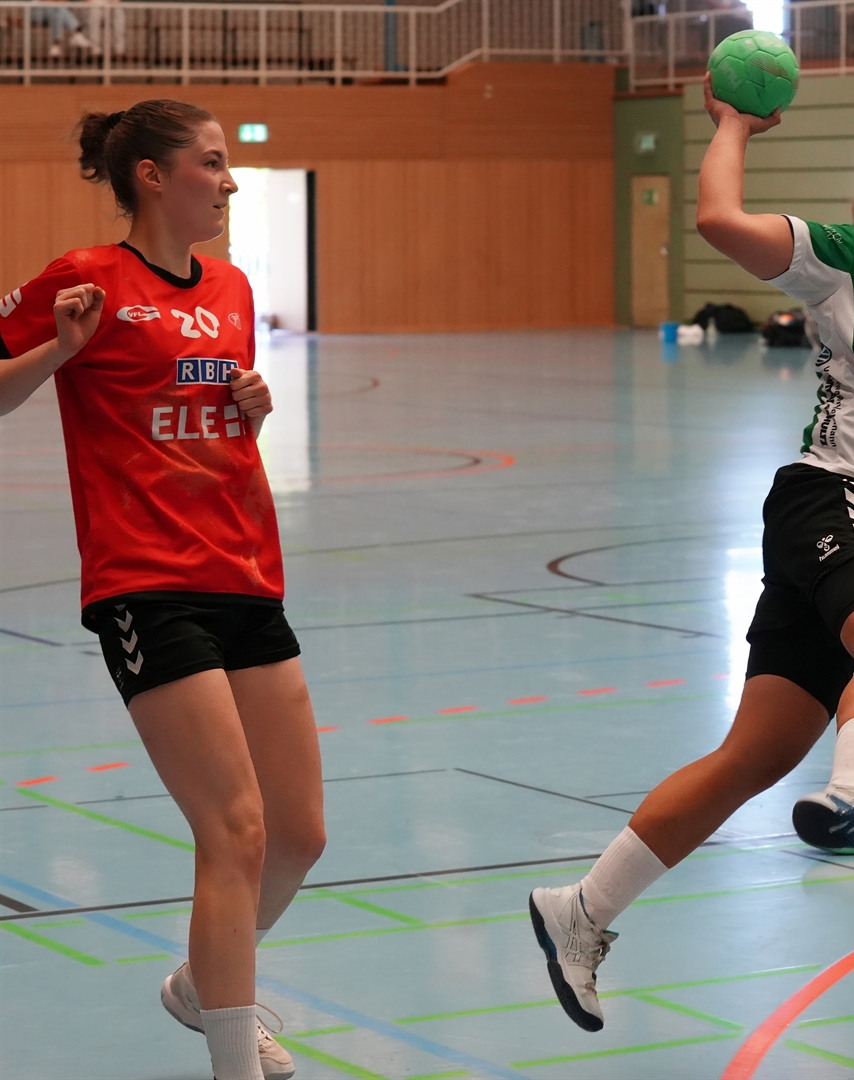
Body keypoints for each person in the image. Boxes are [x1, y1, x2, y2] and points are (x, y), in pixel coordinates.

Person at [527, 85, 854, 1034]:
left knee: (757, 753)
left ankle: (583, 910)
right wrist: (733, 126)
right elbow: (719, 219)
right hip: (834, 491)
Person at [0, 100, 324, 1080]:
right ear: (152, 175)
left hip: (246, 572)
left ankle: (201, 986)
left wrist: (251, 406)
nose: (229, 180)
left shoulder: (231, 287)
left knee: (298, 837)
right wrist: (59, 351)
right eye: (212, 163)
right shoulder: (85, 278)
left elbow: (210, 417)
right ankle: (232, 1060)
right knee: (234, 828)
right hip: (146, 584)